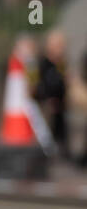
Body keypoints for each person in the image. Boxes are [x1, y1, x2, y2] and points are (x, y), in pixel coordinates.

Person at [33, 29, 69, 159]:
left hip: (60, 102)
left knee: (62, 125)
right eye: (57, 45)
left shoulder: (61, 63)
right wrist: (46, 98)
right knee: (47, 127)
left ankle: (62, 150)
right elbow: (37, 85)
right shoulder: (43, 63)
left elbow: (64, 81)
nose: (61, 49)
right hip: (47, 102)